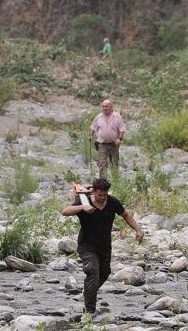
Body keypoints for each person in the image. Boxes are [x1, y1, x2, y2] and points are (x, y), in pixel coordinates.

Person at [62, 178, 144, 317]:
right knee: (92, 271)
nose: (102, 197)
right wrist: (82, 207)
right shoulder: (85, 200)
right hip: (87, 246)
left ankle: (89, 291)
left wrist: (138, 230)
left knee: (104, 273)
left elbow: (125, 215)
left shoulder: (112, 202)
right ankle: (89, 311)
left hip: (105, 246)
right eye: (100, 195)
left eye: (105, 195)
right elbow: (65, 211)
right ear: (93, 192)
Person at [90, 99, 126, 179]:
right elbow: (93, 127)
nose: (104, 108)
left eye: (106, 106)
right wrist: (91, 135)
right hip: (102, 145)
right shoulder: (99, 117)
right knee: (102, 164)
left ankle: (116, 182)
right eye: (103, 106)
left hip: (114, 145)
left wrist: (119, 139)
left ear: (111, 107)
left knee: (114, 164)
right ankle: (103, 184)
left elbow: (122, 129)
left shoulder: (117, 117)